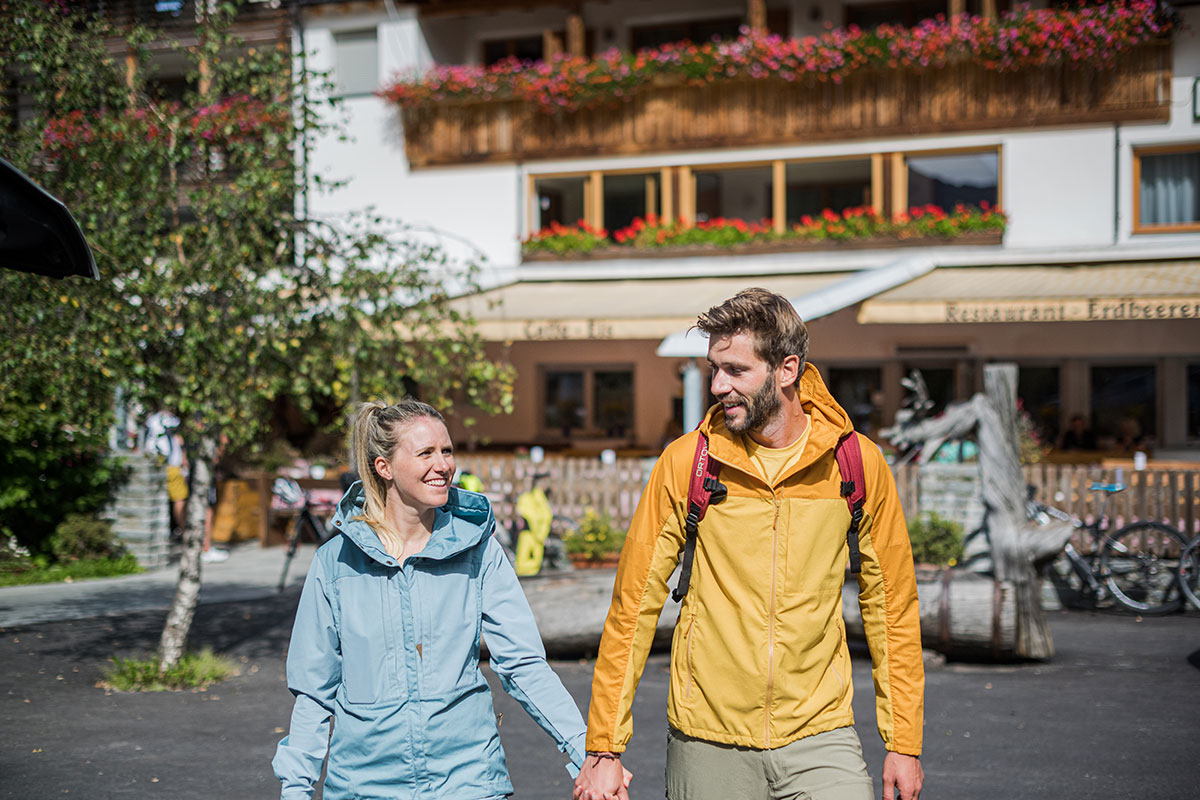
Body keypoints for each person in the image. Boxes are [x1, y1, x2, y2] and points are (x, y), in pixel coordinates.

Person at [574, 289, 924, 800]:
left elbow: (892, 607)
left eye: (736, 370)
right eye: (714, 369)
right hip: (707, 738)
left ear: (787, 370)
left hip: (820, 732)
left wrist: (904, 743)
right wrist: (604, 747)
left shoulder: (856, 463)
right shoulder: (687, 463)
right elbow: (633, 606)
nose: (718, 385)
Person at [273, 399, 618, 800]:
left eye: (447, 451)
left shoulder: (478, 550)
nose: (443, 465)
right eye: (425, 453)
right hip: (363, 786)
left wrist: (589, 754)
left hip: (468, 782)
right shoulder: (335, 563)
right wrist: (295, 790)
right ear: (384, 467)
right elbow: (314, 693)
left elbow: (524, 665)